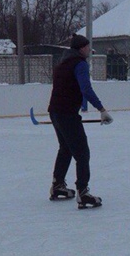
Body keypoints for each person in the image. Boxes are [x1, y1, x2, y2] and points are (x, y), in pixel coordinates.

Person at [47, 34, 113, 208]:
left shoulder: (62, 64)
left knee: (66, 149)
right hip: (67, 114)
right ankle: (83, 193)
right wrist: (102, 109)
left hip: (54, 111)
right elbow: (86, 88)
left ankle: (58, 185)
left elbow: (71, 88)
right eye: (87, 47)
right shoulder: (80, 64)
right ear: (80, 48)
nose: (89, 50)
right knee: (82, 153)